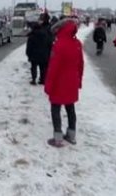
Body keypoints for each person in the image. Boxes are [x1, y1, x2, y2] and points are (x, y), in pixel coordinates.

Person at [44, 19, 84, 148]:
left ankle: (58, 137)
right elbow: (81, 65)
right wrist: (79, 81)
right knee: (70, 108)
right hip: (72, 82)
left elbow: (53, 68)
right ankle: (71, 135)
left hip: (59, 83)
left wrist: (48, 85)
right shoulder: (77, 43)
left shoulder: (59, 44)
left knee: (55, 109)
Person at [26, 20, 53, 85]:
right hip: (43, 54)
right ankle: (42, 80)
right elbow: (49, 44)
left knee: (33, 67)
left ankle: (34, 80)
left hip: (34, 55)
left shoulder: (32, 36)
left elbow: (29, 47)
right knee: (43, 68)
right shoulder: (45, 35)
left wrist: (28, 54)